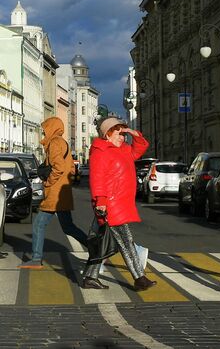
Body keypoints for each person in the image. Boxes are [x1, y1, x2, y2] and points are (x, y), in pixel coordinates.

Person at [80, 117, 157, 291]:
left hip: (119, 203)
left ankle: (90, 277)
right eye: (118, 132)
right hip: (110, 204)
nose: (122, 137)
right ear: (107, 134)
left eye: (123, 133)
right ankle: (139, 278)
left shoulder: (124, 150)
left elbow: (142, 147)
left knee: (101, 242)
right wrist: (100, 201)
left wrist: (133, 133)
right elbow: (97, 179)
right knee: (126, 241)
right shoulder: (100, 151)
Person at [19, 117, 87, 269]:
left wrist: (48, 182)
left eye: (45, 128)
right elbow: (69, 169)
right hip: (61, 191)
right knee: (68, 227)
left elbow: (59, 167)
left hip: (55, 193)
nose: (43, 131)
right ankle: (97, 251)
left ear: (52, 128)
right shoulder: (62, 142)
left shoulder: (55, 143)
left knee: (38, 224)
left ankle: (36, 259)